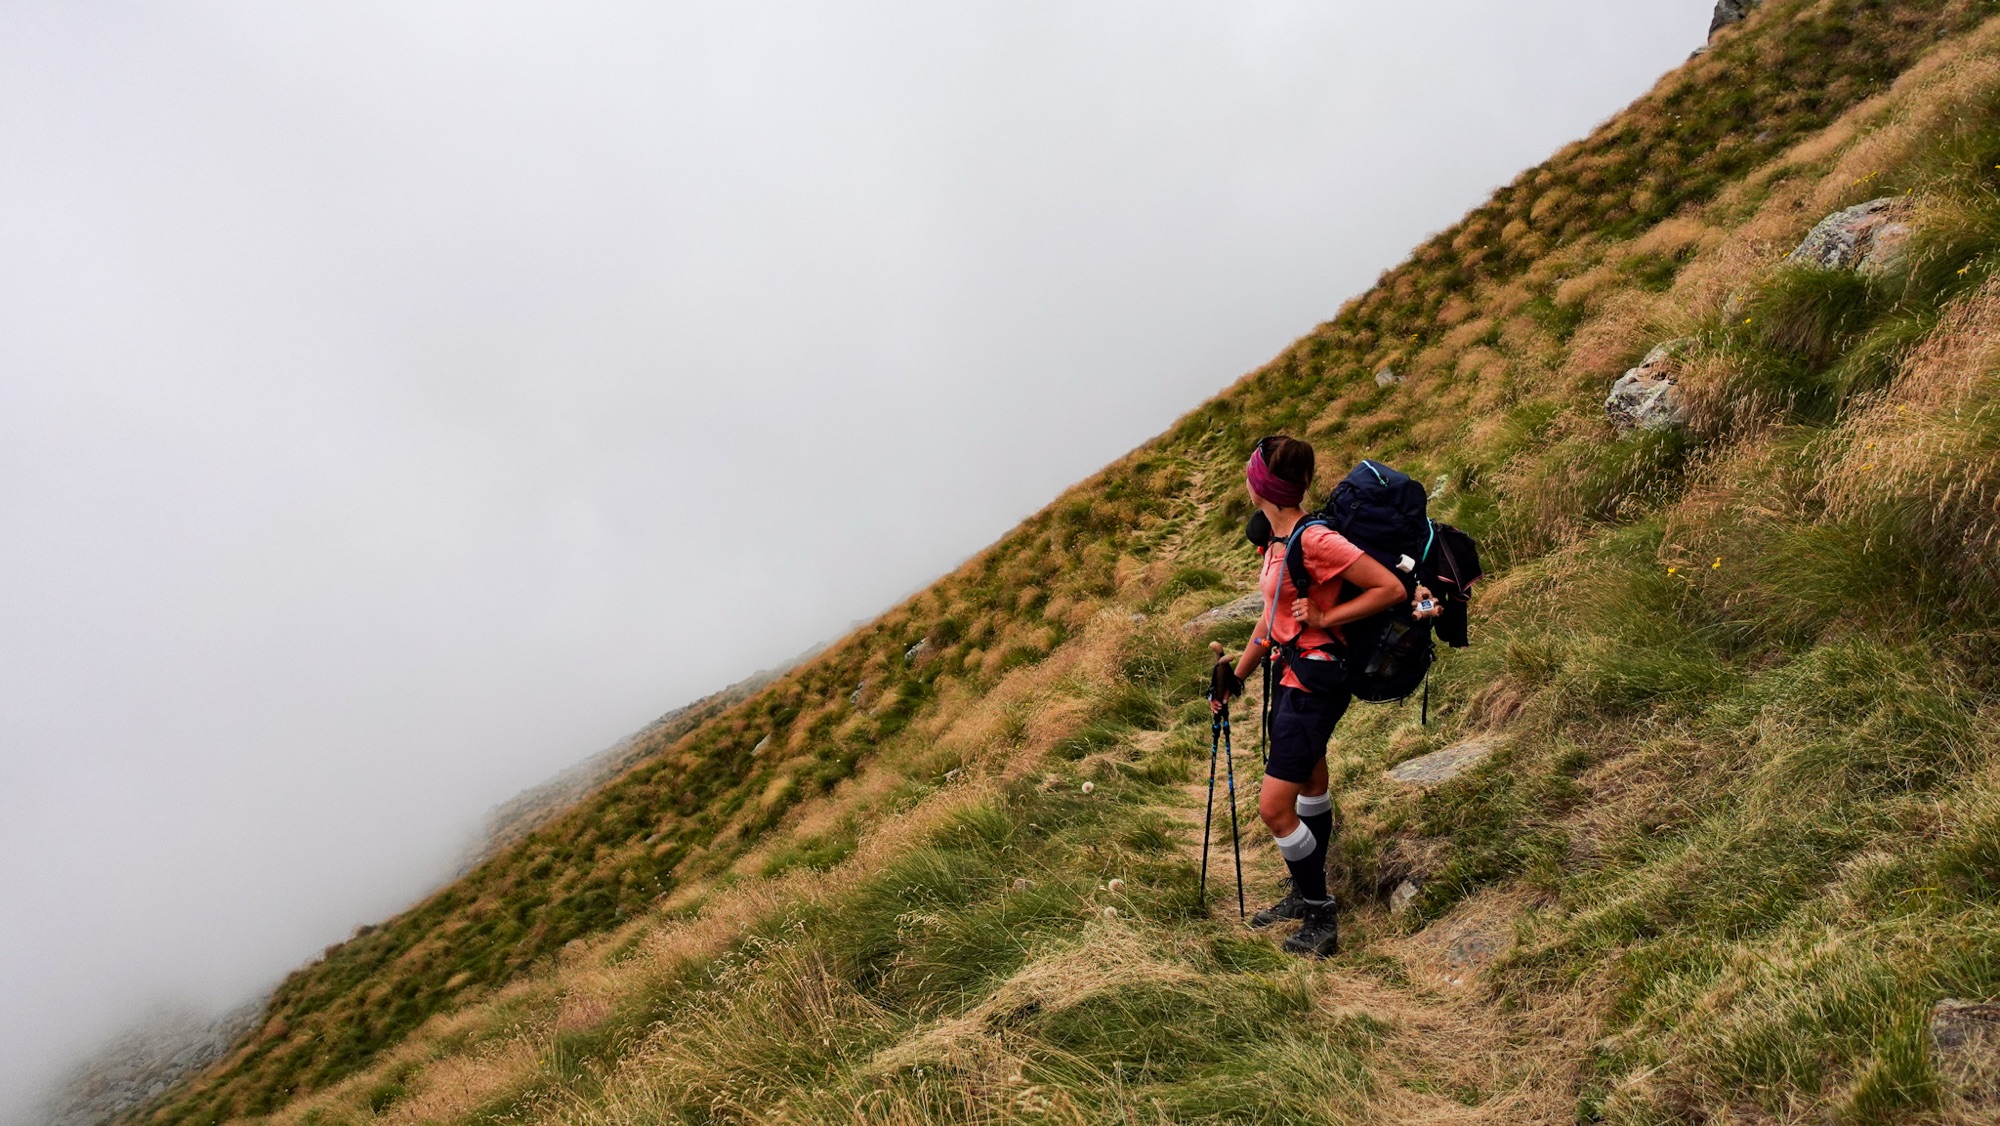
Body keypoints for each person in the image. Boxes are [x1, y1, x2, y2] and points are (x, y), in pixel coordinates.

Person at [1211, 436, 1408, 956]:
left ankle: (1320, 913)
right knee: (1311, 780)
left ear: (1262, 486)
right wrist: (1239, 674)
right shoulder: (1280, 540)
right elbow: (1271, 616)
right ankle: (1305, 892)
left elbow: (1390, 589)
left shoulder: (1314, 538)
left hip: (1314, 682)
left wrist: (1325, 618)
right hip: (1291, 673)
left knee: (1274, 808)